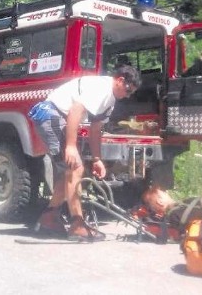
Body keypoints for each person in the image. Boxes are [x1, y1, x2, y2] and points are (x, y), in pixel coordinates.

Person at [28, 65, 141, 241]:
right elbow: (75, 110)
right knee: (75, 169)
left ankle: (48, 218)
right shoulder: (102, 88)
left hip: (57, 117)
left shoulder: (109, 100)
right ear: (120, 80)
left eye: (130, 93)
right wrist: (71, 146)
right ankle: (77, 225)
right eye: (127, 90)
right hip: (50, 114)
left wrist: (97, 159)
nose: (127, 95)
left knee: (68, 173)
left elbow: (95, 130)